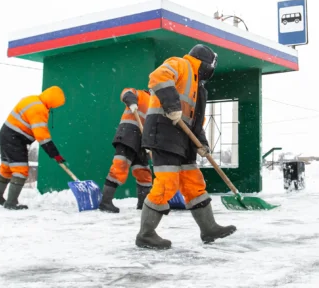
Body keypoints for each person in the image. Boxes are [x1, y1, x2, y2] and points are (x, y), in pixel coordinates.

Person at [136, 44, 236, 249]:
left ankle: (209, 228)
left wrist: (203, 145)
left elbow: (196, 122)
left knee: (194, 182)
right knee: (167, 183)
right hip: (163, 133)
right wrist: (172, 106)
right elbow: (158, 76)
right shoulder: (180, 64)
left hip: (184, 140)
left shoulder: (200, 90)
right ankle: (145, 234)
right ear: (206, 64)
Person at [0, 86, 66, 210]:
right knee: (20, 170)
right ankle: (11, 203)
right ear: (52, 101)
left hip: (5, 135)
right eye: (54, 105)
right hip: (15, 139)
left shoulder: (31, 99)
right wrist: (55, 154)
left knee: (6, 168)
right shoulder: (39, 109)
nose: (52, 108)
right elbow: (42, 136)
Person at [98, 87, 154, 213]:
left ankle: (143, 204)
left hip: (143, 141)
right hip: (128, 134)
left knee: (144, 173)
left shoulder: (159, 105)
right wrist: (132, 102)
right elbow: (126, 93)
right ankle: (105, 202)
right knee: (119, 167)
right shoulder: (140, 94)